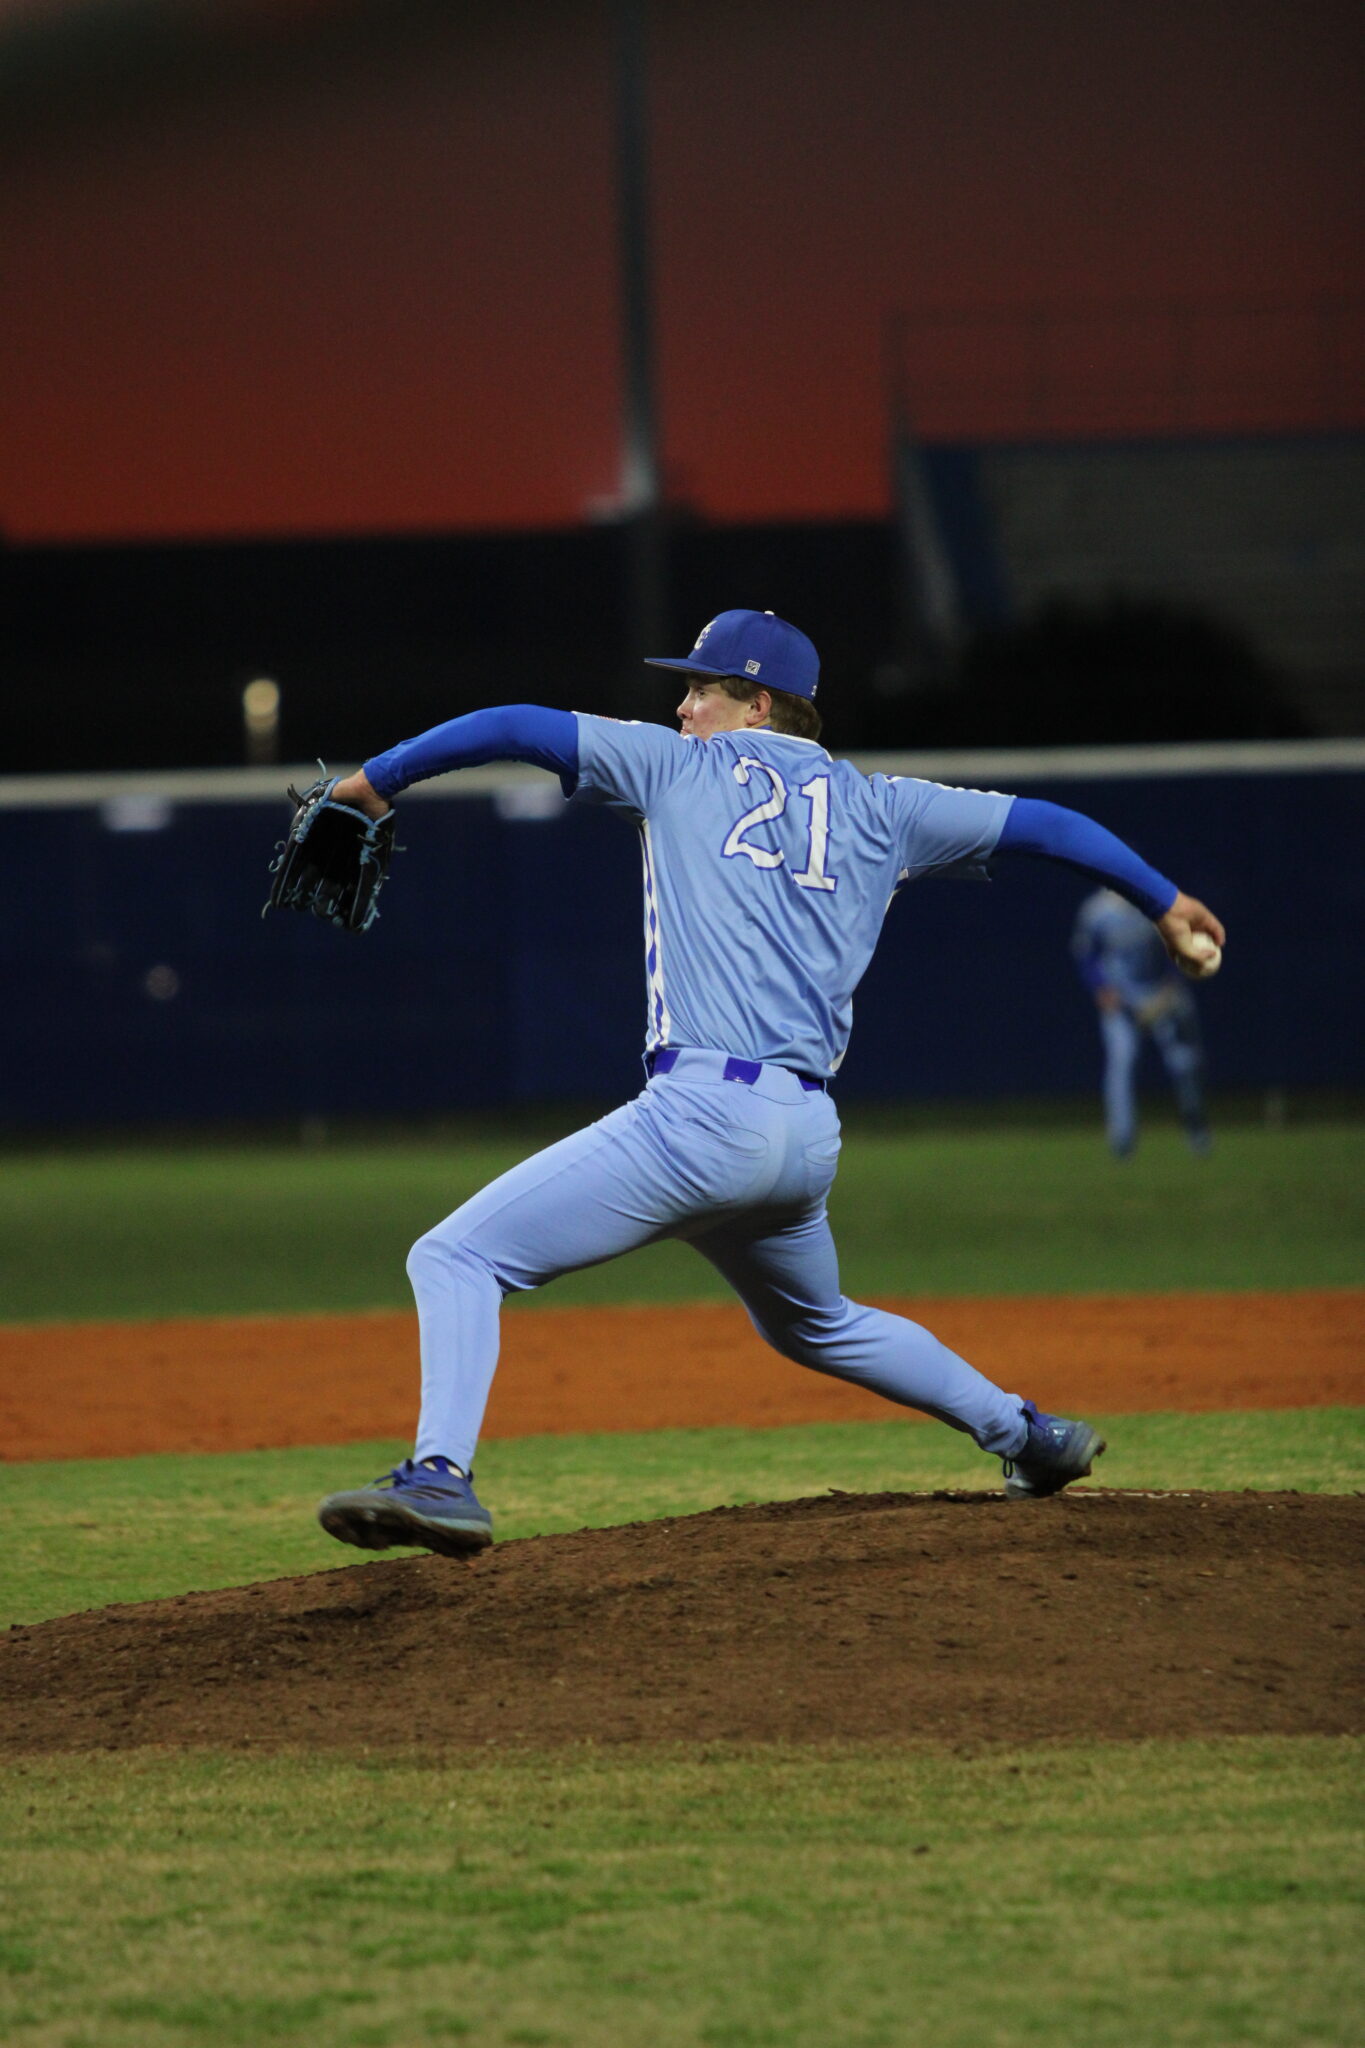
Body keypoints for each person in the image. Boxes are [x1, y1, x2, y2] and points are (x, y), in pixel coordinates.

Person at [314, 609, 1226, 1556]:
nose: (681, 706)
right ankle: (1028, 1436)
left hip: (700, 1120)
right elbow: (1051, 825)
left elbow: (511, 724)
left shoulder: (676, 766)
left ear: (756, 703)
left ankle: (441, 1475)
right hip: (802, 1136)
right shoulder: (885, 806)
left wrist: (373, 782)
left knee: (457, 1258)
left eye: (699, 688)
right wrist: (1164, 903)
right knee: (816, 1325)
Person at [1072, 886, 1212, 1158]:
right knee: (1121, 1065)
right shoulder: (1097, 910)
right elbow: (1086, 955)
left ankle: (1197, 1130)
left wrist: (1171, 987)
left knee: (1185, 1065)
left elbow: (1181, 946)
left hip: (1162, 994)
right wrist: (1101, 988)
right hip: (1123, 1001)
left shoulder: (1158, 900)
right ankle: (1122, 1142)